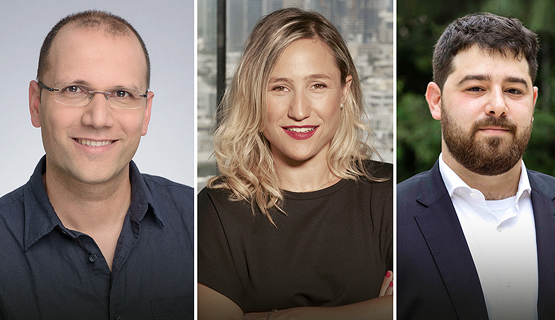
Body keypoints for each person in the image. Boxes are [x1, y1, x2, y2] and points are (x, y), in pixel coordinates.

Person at [198, 7, 393, 320]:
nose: (299, 110)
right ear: (253, 95)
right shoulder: (216, 210)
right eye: (279, 87)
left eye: (318, 85)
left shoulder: (390, 193)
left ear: (344, 91)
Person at [0, 10, 193, 320]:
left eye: (121, 93)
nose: (98, 119)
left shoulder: (197, 220)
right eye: (74, 89)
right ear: (36, 103)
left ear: (145, 113)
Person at [397, 12, 555, 320]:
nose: (498, 106)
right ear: (436, 101)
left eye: (514, 90)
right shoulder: (388, 223)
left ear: (533, 102)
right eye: (476, 88)